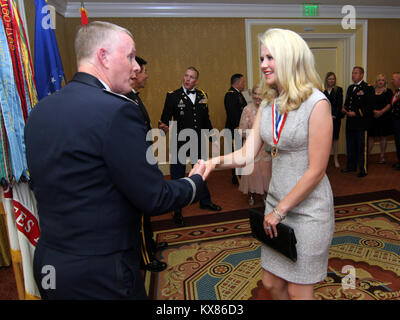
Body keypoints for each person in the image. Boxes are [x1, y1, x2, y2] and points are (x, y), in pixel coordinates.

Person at [24, 21, 206, 300]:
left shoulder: (39, 110)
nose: (136, 67)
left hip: (51, 262)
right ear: (103, 56)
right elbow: (154, 197)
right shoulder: (117, 111)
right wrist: (195, 182)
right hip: (101, 272)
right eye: (131, 56)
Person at [204, 28, 334, 300]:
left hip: (308, 209)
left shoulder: (317, 103)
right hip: (276, 202)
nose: (263, 65)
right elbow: (245, 155)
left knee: (299, 291)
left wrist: (280, 211)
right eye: (262, 58)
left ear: (290, 58)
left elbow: (317, 170)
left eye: (270, 57)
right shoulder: (269, 104)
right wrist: (211, 162)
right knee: (271, 283)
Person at [158, 67, 221, 227]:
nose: (187, 79)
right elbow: (164, 119)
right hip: (178, 141)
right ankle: (177, 209)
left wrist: (213, 137)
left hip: (198, 140)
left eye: (191, 77)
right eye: (186, 75)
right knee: (178, 175)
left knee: (201, 172)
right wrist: (163, 128)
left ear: (196, 81)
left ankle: (205, 201)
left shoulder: (202, 95)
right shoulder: (173, 96)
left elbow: (205, 118)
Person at [125, 56, 168, 273]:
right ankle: (145, 256)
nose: (146, 75)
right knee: (140, 214)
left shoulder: (133, 98)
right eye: (143, 71)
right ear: (134, 74)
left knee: (146, 212)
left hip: (144, 159)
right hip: (137, 165)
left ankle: (149, 244)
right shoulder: (125, 100)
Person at [238, 84, 271, 205]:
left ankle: (266, 195)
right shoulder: (247, 109)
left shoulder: (269, 108)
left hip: (266, 146)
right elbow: (241, 131)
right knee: (252, 173)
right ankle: (251, 194)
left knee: (266, 173)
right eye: (255, 93)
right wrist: (255, 134)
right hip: (252, 145)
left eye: (260, 94)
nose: (257, 96)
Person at [341, 66, 374, 178]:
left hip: (361, 122)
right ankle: (351, 166)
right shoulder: (351, 88)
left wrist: (356, 113)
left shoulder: (367, 88)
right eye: (352, 73)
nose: (353, 75)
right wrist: (344, 109)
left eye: (355, 73)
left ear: (361, 75)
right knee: (350, 145)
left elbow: (369, 106)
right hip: (350, 122)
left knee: (361, 147)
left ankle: (363, 169)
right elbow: (347, 103)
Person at [224, 73, 247, 185]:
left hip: (240, 129)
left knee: (240, 154)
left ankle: (240, 176)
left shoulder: (239, 94)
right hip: (234, 130)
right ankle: (237, 178)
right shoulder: (230, 95)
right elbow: (233, 114)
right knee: (236, 154)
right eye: (243, 82)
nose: (244, 84)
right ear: (237, 83)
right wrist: (240, 128)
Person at [368, 74, 393, 164]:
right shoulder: (371, 91)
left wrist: (381, 112)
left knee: (383, 137)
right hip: (373, 117)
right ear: (376, 81)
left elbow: (390, 104)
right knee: (371, 137)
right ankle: (367, 156)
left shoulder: (388, 91)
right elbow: (368, 103)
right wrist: (374, 111)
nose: (380, 82)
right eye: (379, 80)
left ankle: (382, 156)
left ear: (385, 82)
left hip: (384, 118)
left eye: (382, 80)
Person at [323, 72, 343, 168]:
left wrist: (333, 115)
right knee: (326, 140)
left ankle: (335, 158)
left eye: (333, 79)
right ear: (327, 80)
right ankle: (325, 159)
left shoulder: (339, 90)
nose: (332, 81)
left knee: (335, 139)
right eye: (330, 79)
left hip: (335, 119)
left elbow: (339, 104)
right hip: (325, 119)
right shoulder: (323, 91)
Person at [391, 72, 400, 170]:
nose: (392, 81)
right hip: (396, 121)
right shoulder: (396, 91)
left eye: (394, 79)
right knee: (398, 141)